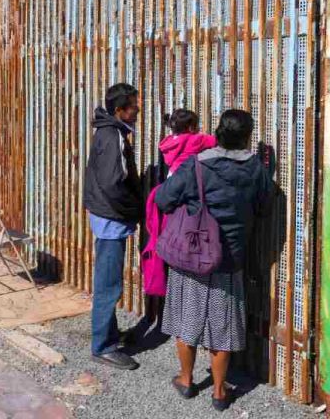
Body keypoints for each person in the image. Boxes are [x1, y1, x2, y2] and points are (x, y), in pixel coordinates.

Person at [155, 109, 273, 412]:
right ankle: (220, 392)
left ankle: (186, 379)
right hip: (230, 259)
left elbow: (163, 199)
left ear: (219, 132)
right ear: (247, 136)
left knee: (186, 318)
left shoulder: (197, 164)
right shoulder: (256, 169)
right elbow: (264, 207)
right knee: (223, 326)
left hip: (192, 255)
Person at [82, 83, 143, 370]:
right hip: (111, 218)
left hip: (106, 214)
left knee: (108, 280)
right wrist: (134, 209)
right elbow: (112, 184)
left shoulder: (109, 131)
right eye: (133, 105)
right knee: (109, 284)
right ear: (120, 110)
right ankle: (103, 346)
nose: (138, 109)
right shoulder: (112, 136)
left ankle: (108, 334)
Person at [141, 110, 217, 323]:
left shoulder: (168, 143)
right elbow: (216, 141)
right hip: (186, 183)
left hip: (171, 181)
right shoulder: (195, 140)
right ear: (191, 127)